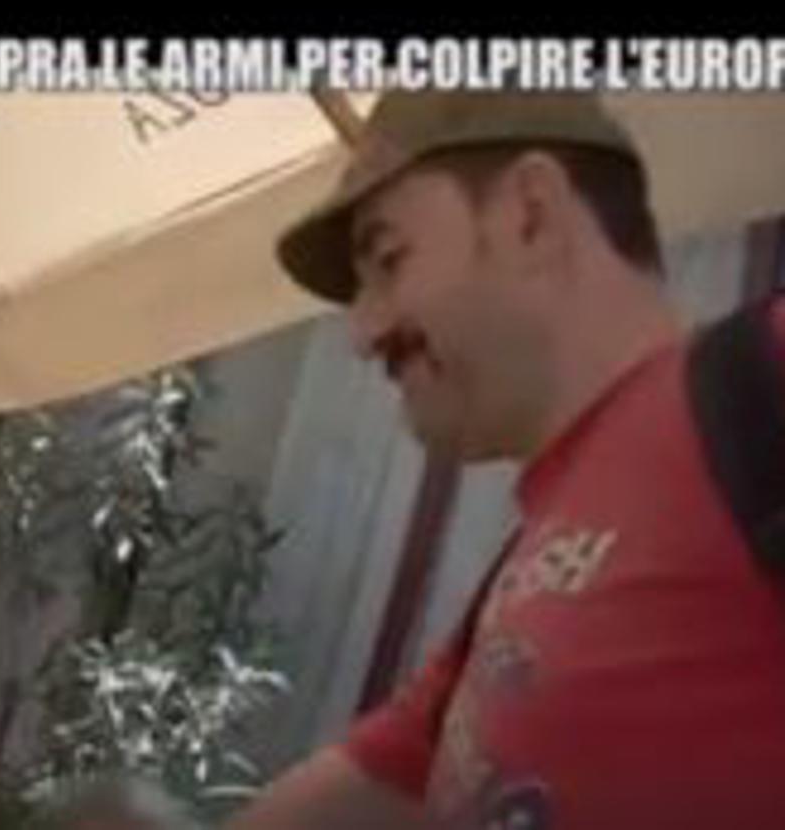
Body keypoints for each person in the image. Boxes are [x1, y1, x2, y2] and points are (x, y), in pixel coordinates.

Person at [229, 92, 785, 829]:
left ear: (531, 215)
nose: (362, 333)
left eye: (389, 259)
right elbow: (355, 794)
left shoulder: (764, 382)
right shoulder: (515, 578)